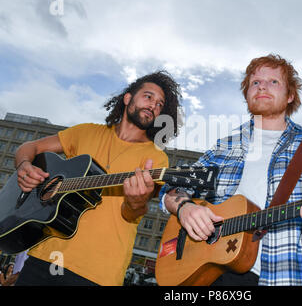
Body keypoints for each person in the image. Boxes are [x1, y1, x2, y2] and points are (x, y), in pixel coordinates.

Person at [160, 54, 302, 286]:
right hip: (209, 275)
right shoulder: (224, 145)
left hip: (280, 277)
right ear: (247, 93)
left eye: (273, 82)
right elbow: (172, 189)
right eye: (255, 82)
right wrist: (184, 208)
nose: (262, 87)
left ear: (290, 95)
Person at [14, 71, 182, 286]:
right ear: (128, 98)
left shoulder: (157, 158)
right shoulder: (85, 132)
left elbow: (133, 214)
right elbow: (29, 147)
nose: (153, 106)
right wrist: (25, 166)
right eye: (148, 97)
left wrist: (136, 202)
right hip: (43, 257)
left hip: (97, 273)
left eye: (159, 104)